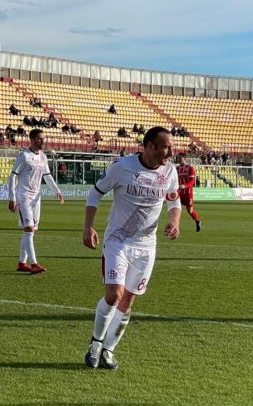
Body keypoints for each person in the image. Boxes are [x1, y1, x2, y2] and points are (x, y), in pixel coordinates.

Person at [82, 127, 181, 370]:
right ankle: (95, 345)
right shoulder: (122, 167)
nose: (170, 151)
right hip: (118, 240)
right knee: (114, 294)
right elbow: (95, 194)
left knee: (127, 301)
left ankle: (109, 351)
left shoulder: (169, 170)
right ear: (149, 146)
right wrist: (88, 227)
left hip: (147, 246)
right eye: (166, 146)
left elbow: (174, 199)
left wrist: (174, 221)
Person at [8, 129, 64, 274]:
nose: (43, 141)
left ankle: (22, 263)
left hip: (36, 199)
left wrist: (57, 191)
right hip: (24, 197)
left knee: (31, 232)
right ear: (31, 139)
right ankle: (34, 264)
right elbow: (13, 177)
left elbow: (47, 176)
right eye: (40, 139)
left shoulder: (43, 157)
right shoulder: (24, 156)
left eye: (43, 138)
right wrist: (12, 198)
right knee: (29, 229)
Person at [176, 153, 202, 232]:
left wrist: (185, 185)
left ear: (185, 158)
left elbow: (192, 181)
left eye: (180, 158)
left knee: (190, 211)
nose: (179, 159)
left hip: (188, 192)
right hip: (179, 192)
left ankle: (197, 221)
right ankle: (175, 226)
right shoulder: (177, 168)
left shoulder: (190, 168)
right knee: (177, 208)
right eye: (178, 158)